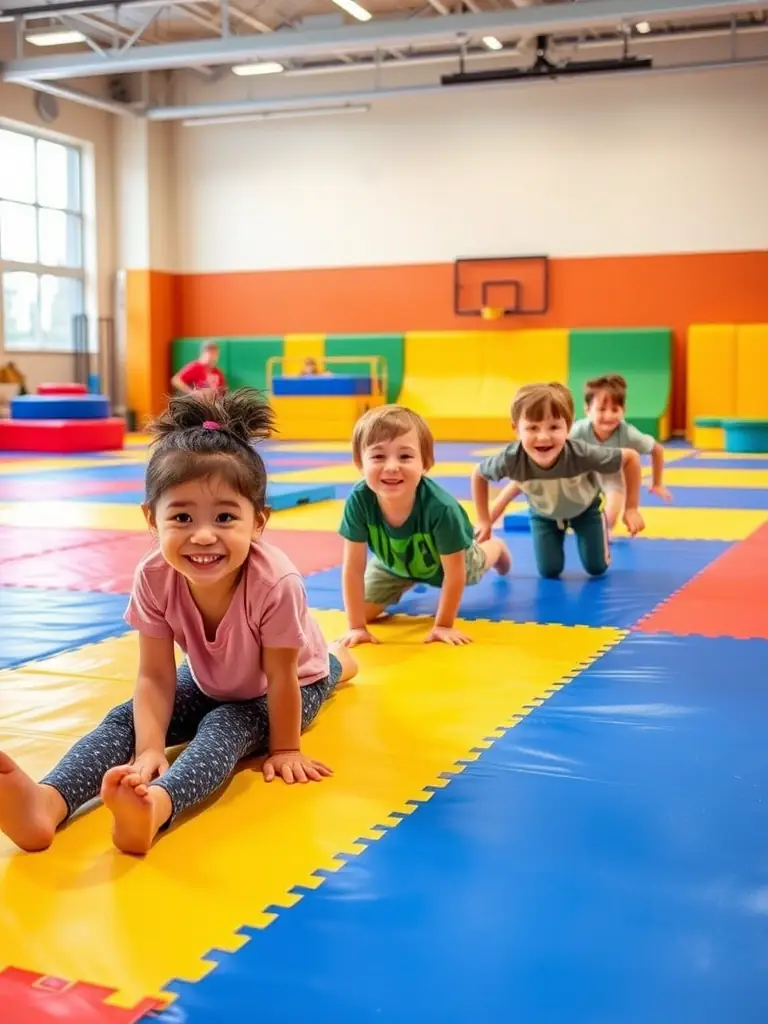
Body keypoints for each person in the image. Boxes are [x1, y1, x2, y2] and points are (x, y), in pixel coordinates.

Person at [0, 387, 357, 856]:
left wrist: (286, 749)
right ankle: (45, 804)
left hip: (286, 684)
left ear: (259, 522)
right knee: (125, 720)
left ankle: (156, 809)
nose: (203, 535)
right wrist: (149, 749)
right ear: (152, 518)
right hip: (212, 677)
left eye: (226, 516)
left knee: (227, 726)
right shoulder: (153, 575)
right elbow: (154, 674)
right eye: (182, 516)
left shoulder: (276, 582)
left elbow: (282, 676)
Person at [337, 404, 511, 648]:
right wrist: (356, 627)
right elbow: (353, 568)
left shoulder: (441, 508)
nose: (391, 466)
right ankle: (409, 578)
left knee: (473, 568)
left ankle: (496, 547)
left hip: (446, 563)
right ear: (359, 463)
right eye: (377, 456)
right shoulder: (359, 500)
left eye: (405, 456)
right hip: (394, 562)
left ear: (425, 463)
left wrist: (443, 625)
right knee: (364, 612)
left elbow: (455, 574)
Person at [472, 382, 645, 579]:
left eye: (554, 427)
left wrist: (631, 508)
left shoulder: (581, 454)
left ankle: (600, 535)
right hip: (544, 515)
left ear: (568, 427)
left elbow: (631, 458)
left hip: (584, 510)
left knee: (596, 568)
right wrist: (484, 520)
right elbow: (479, 474)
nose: (543, 437)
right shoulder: (512, 459)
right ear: (516, 429)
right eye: (532, 428)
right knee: (549, 571)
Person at [569, 373, 672, 531]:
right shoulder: (578, 431)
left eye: (615, 409)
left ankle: (603, 533)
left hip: (611, 475)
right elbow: (558, 451)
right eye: (601, 409)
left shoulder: (626, 432)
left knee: (612, 511)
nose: (608, 416)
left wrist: (657, 483)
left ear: (624, 410)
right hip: (583, 475)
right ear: (587, 410)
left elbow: (657, 449)